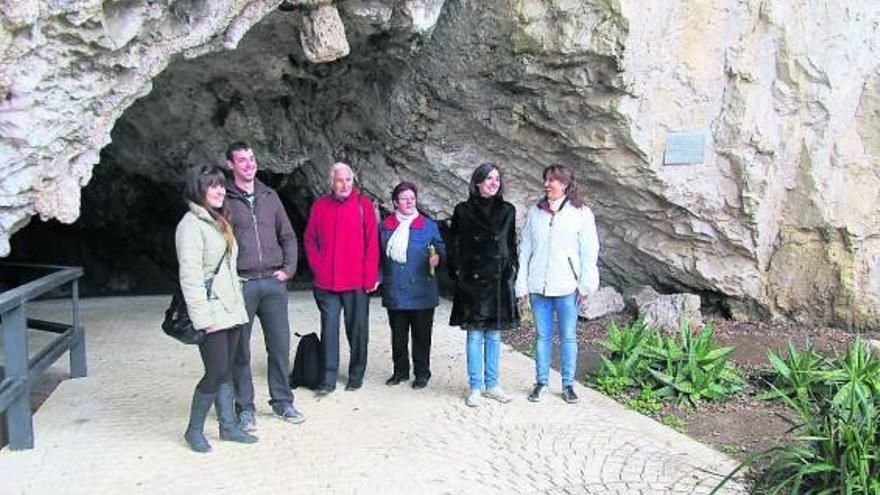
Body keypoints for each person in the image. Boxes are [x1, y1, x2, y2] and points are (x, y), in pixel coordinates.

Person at [175, 164, 258, 452]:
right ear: (199, 190)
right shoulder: (190, 225)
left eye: (221, 185)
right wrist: (202, 318)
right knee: (215, 371)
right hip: (211, 311)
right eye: (212, 185)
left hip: (231, 308)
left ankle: (229, 426)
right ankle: (193, 430)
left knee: (228, 371)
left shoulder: (219, 221)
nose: (220, 190)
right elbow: (191, 276)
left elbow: (228, 269)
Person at [225, 141, 303, 430]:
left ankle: (282, 402)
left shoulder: (270, 196)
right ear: (231, 165)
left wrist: (288, 270)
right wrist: (228, 278)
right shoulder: (224, 198)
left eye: (252, 159)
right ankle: (244, 407)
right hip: (242, 284)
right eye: (242, 160)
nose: (249, 164)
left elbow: (289, 237)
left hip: (272, 284)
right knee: (240, 350)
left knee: (279, 346)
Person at [515, 164, 599, 404]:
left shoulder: (581, 213)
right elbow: (526, 249)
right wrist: (522, 283)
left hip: (567, 286)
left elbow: (589, 251)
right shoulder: (536, 212)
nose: (547, 184)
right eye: (546, 180)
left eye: (552, 180)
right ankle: (541, 382)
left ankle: (568, 384)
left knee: (568, 337)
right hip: (538, 287)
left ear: (565, 184)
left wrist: (585, 285)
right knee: (542, 336)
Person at [448, 162, 520, 407]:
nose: (494, 183)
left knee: (494, 336)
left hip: (499, 281)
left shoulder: (508, 210)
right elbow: (454, 245)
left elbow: (511, 246)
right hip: (473, 283)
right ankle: (476, 386)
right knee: (475, 336)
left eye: (497, 179)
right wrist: (459, 274)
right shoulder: (463, 210)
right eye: (489, 178)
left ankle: (493, 384)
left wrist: (512, 272)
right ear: (477, 182)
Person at [304, 162, 379, 394]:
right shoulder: (320, 206)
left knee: (357, 330)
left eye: (348, 180)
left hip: (356, 281)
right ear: (331, 182)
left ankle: (356, 374)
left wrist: (369, 278)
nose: (345, 184)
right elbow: (309, 239)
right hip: (327, 283)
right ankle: (328, 377)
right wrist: (319, 267)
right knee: (329, 329)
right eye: (339, 180)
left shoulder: (363, 205)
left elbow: (372, 244)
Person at [379, 182, 446, 389]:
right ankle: (400, 371)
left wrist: (438, 259)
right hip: (396, 289)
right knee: (398, 335)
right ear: (395, 203)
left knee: (421, 335)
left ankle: (422, 373)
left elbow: (441, 249)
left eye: (412, 198)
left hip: (423, 290)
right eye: (404, 198)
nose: (409, 202)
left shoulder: (427, 225)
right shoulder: (385, 226)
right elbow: (377, 256)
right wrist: (378, 278)